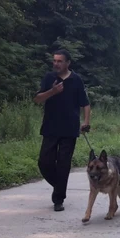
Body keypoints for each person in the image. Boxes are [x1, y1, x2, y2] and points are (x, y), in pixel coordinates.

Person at [34, 49, 91, 212]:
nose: (56, 64)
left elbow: (85, 104)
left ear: (68, 63)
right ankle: (59, 185)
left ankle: (58, 199)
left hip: (69, 129)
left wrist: (86, 122)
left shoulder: (76, 80)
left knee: (64, 164)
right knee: (44, 162)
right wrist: (52, 91)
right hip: (50, 127)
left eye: (60, 61)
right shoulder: (49, 78)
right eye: (54, 61)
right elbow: (37, 99)